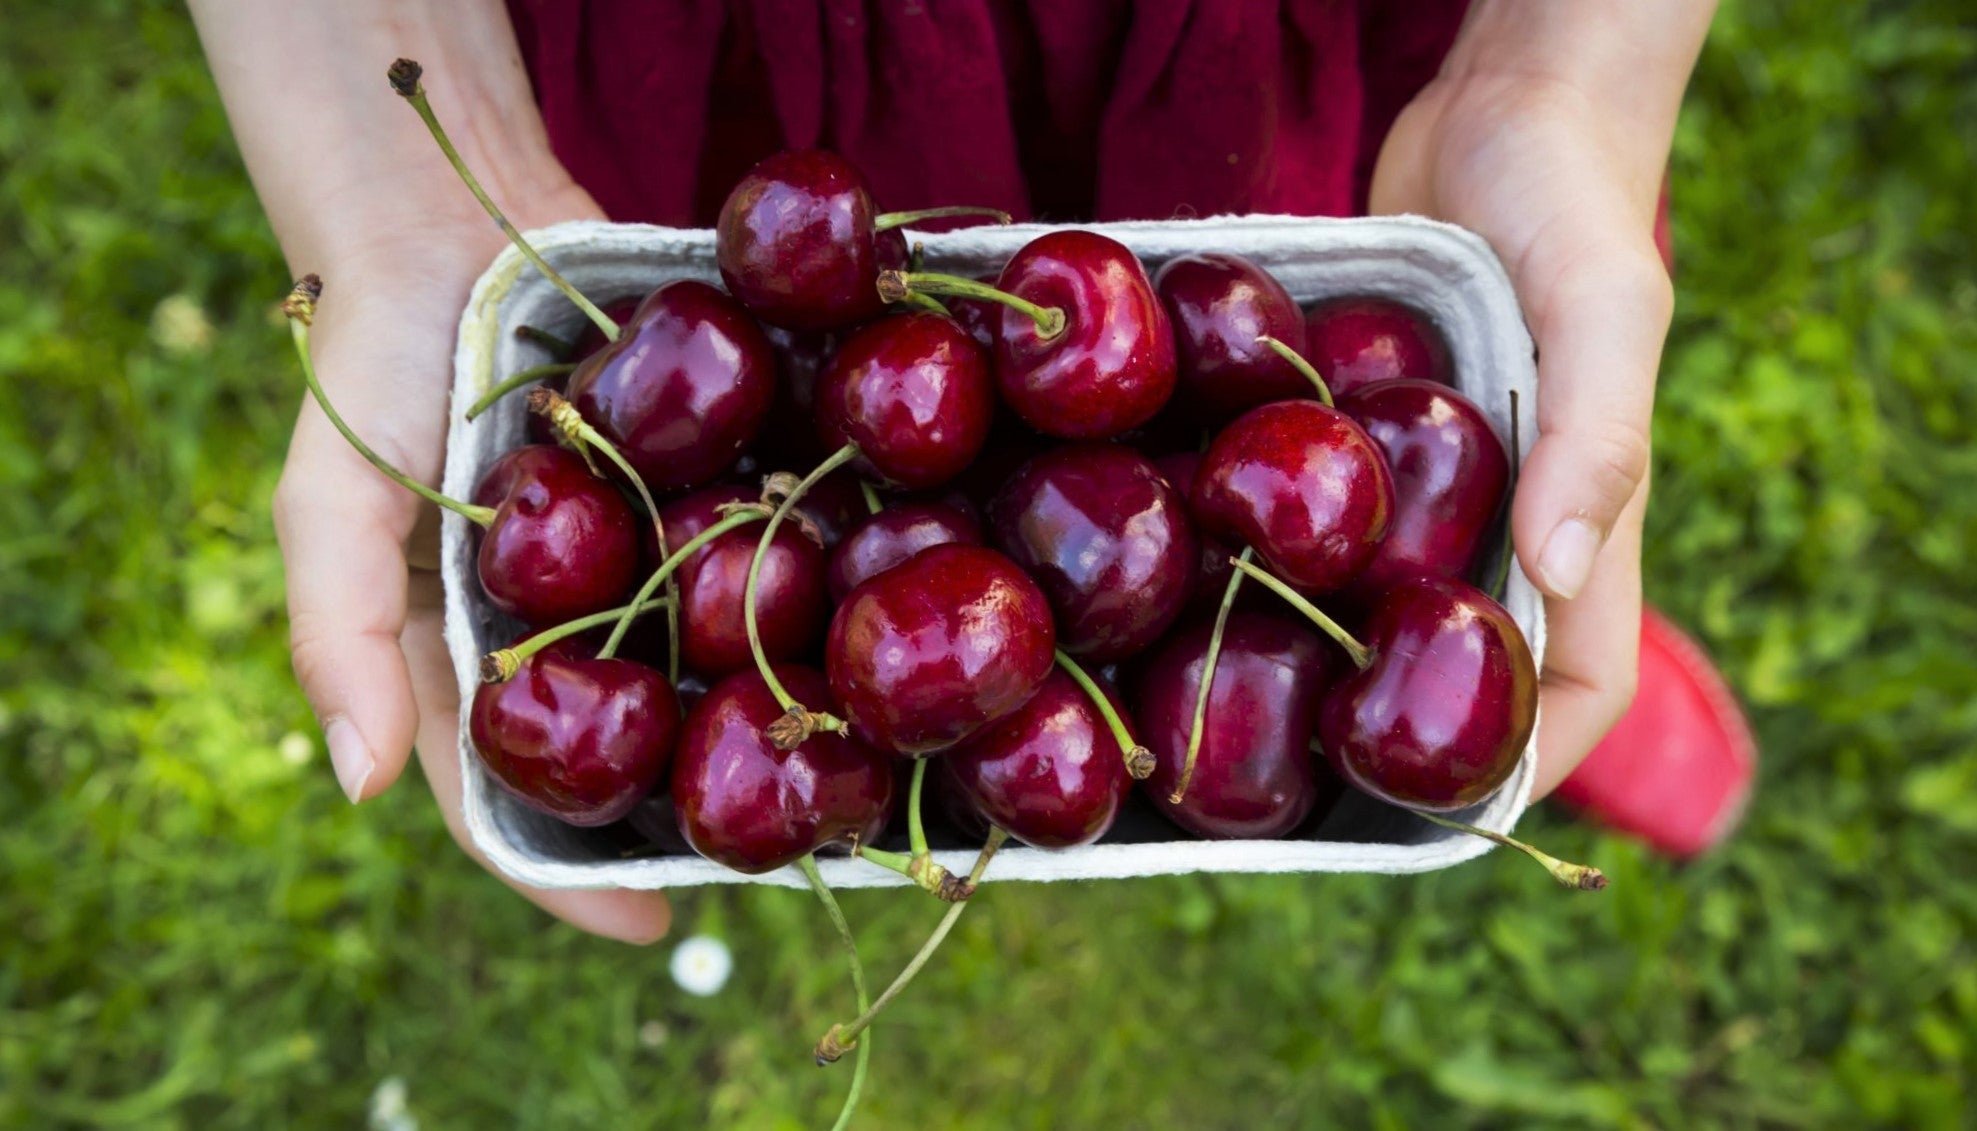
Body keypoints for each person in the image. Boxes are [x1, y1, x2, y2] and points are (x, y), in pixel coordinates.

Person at [189, 0, 1739, 943]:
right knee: (783, 314)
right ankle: (1455, 653)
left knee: (1383, 400)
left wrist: (1556, 76)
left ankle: (1487, 624)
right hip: (704, 65)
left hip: (1239, 67)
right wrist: (390, 143)